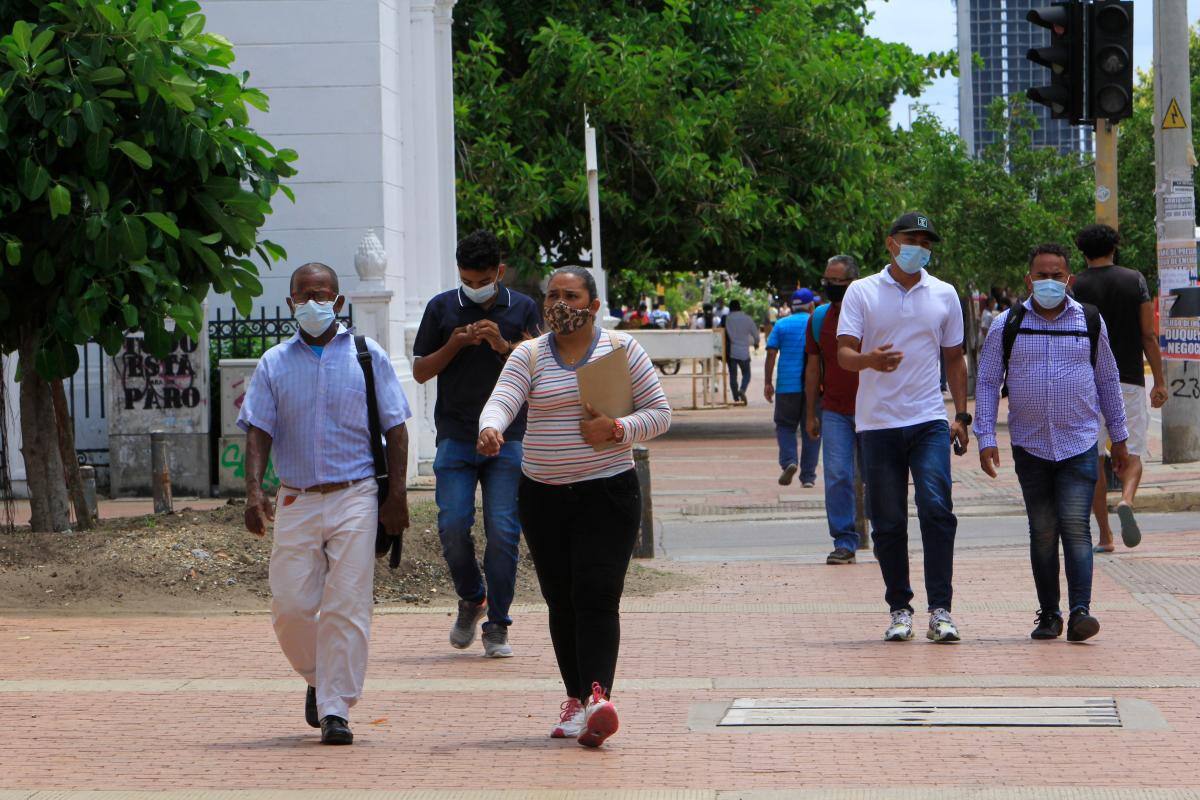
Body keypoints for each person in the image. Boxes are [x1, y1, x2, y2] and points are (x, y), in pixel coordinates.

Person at [478, 267, 671, 748]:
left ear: (594, 305)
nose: (559, 304)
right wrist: (491, 427)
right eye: (552, 296)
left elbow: (660, 414)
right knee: (561, 598)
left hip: (608, 492)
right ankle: (575, 699)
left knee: (597, 594)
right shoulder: (529, 354)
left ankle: (598, 698)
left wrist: (618, 429)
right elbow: (503, 398)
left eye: (571, 295)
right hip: (543, 494)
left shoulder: (622, 349)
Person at [239, 262, 411, 746]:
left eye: (322, 295)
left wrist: (396, 497)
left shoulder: (366, 356)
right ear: (290, 302)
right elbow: (258, 430)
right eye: (304, 295)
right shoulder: (274, 362)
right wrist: (254, 492)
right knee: (290, 606)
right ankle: (319, 677)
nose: (314, 303)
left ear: (338, 301)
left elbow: (396, 428)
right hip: (296, 497)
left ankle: (336, 708)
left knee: (346, 605)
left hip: (356, 494)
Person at [974, 244, 1129, 642]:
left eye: (1056, 275)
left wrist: (1120, 439)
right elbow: (988, 382)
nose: (1049, 282)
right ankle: (1049, 614)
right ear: (1029, 281)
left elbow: (1107, 379)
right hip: (1030, 446)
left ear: (1068, 279)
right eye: (1041, 275)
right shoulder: (1007, 324)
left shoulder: (1088, 321)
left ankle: (1080, 612)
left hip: (1080, 442)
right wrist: (986, 436)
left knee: (1076, 527)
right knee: (1043, 531)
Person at [837, 212, 970, 643]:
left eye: (926, 242)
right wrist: (869, 360)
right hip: (877, 423)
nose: (920, 248)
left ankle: (941, 611)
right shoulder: (862, 291)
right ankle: (900, 610)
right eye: (912, 240)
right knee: (888, 521)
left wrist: (962, 415)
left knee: (937, 510)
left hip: (928, 419)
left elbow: (954, 358)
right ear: (891, 243)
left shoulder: (944, 294)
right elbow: (844, 353)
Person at [412, 230, 541, 658]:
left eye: (483, 280)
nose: (475, 286)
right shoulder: (442, 307)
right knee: (452, 525)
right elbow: (420, 371)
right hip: (455, 434)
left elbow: (540, 367)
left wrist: (503, 345)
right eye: (467, 280)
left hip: (509, 436)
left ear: (499, 272)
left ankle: (498, 624)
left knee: (503, 532)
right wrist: (455, 343)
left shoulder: (523, 307)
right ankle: (472, 597)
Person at [1071, 224, 1168, 553]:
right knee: (1134, 452)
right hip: (1128, 379)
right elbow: (1148, 335)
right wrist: (1160, 381)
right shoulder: (1134, 280)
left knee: (1094, 458)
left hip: (1087, 383)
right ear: (1114, 248)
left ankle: (1105, 536)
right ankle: (1126, 499)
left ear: (1083, 252)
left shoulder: (1075, 286)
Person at [805, 256, 863, 565]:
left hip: (874, 410)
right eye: (827, 281)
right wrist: (810, 413)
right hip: (835, 411)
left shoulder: (871, 314)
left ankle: (886, 537)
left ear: (853, 283)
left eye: (837, 282)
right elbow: (813, 368)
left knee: (879, 477)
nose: (831, 286)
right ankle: (844, 541)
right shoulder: (819, 319)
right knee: (838, 474)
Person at [765, 289, 821, 487]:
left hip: (786, 386)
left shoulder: (781, 324)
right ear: (810, 305)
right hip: (813, 386)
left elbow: (771, 353)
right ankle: (808, 477)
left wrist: (768, 382)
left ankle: (789, 461)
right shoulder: (816, 324)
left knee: (785, 426)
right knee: (812, 429)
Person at [724, 299, 760, 404]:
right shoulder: (747, 318)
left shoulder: (728, 319)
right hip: (744, 351)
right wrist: (756, 342)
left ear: (730, 308)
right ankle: (742, 389)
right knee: (747, 374)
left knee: (733, 376)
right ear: (740, 307)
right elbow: (755, 334)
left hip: (732, 352)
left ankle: (736, 398)